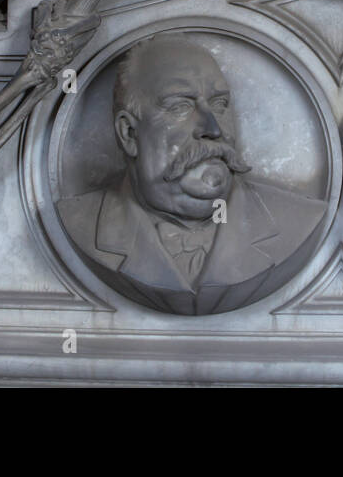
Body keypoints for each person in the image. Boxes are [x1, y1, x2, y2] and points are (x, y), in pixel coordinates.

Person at [57, 35, 326, 314]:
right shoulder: (80, 221)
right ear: (129, 134)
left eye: (219, 104)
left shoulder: (299, 219)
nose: (213, 128)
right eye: (180, 107)